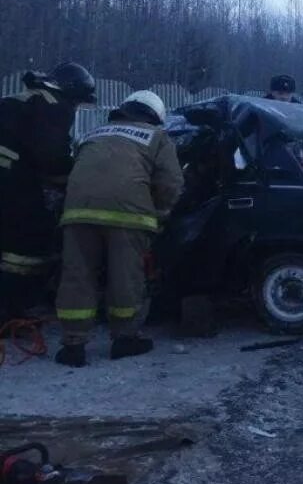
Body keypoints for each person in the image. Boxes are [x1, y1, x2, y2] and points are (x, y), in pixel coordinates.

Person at [54, 90, 183, 367]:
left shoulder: (95, 132)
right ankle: (125, 339)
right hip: (128, 216)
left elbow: (80, 166)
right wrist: (160, 214)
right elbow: (171, 183)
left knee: (77, 275)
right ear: (155, 117)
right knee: (125, 277)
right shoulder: (158, 137)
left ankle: (73, 345)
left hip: (77, 212)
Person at [0, 63, 96, 325]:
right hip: (11, 179)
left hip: (8, 173)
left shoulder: (24, 98)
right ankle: (10, 311)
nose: (76, 108)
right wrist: (74, 178)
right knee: (25, 244)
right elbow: (51, 156)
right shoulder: (55, 107)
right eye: (77, 102)